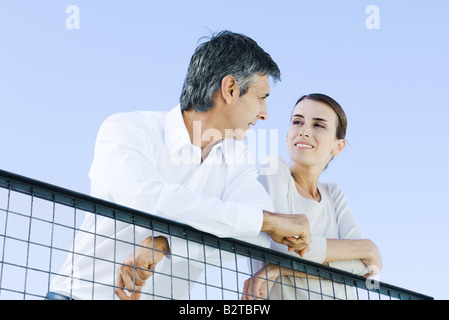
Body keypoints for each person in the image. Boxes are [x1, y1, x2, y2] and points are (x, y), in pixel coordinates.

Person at [46, 31, 312, 300]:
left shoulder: (238, 158)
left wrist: (165, 243)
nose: (264, 113)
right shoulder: (127, 130)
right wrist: (264, 222)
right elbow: (149, 202)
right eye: (261, 97)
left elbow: (251, 236)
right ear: (230, 89)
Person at [242, 93, 383, 300]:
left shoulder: (333, 194)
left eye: (318, 125)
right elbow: (284, 248)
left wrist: (279, 269)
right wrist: (366, 247)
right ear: (288, 133)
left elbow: (364, 268)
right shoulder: (273, 168)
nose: (304, 131)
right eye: (297, 122)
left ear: (338, 146)